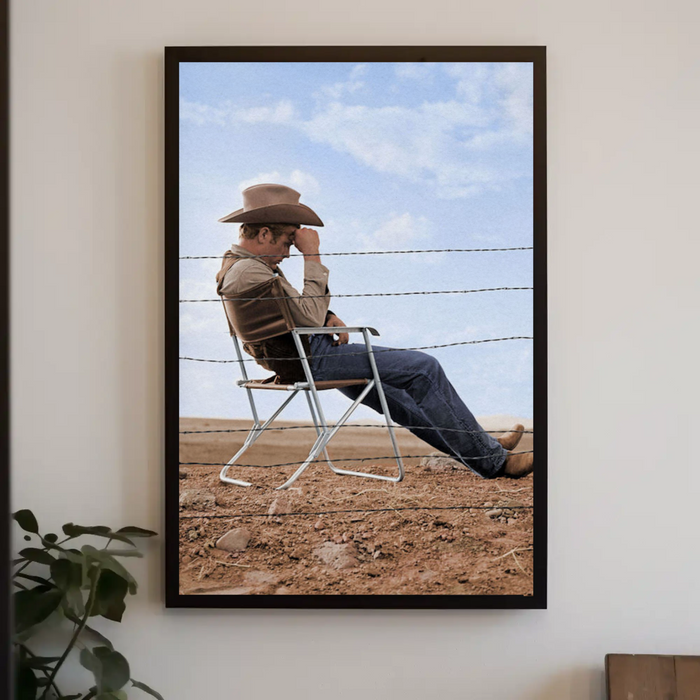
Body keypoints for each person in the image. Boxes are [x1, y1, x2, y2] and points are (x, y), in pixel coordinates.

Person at [216, 183, 533, 479]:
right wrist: (312, 255)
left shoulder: (241, 267)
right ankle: (494, 461)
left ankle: (481, 447)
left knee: (396, 398)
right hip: (311, 358)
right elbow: (306, 318)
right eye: (286, 243)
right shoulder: (250, 272)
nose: (288, 253)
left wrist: (327, 316)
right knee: (424, 368)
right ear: (265, 233)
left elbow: (292, 313)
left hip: (299, 356)